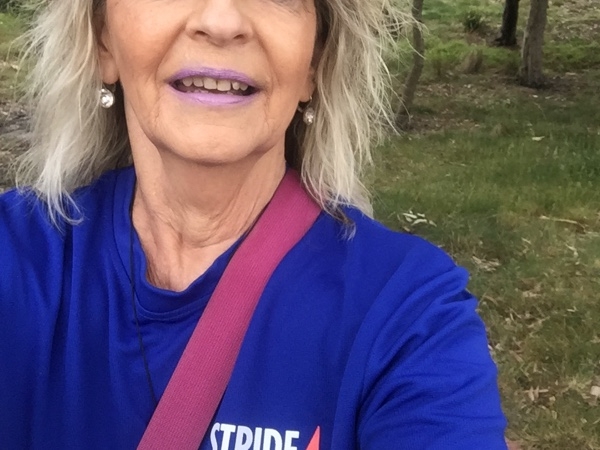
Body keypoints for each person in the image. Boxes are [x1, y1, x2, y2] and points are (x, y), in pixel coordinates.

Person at [0, 0, 508, 448]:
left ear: (314, 60)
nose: (222, 21)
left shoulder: (408, 313)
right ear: (104, 40)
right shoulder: (16, 261)